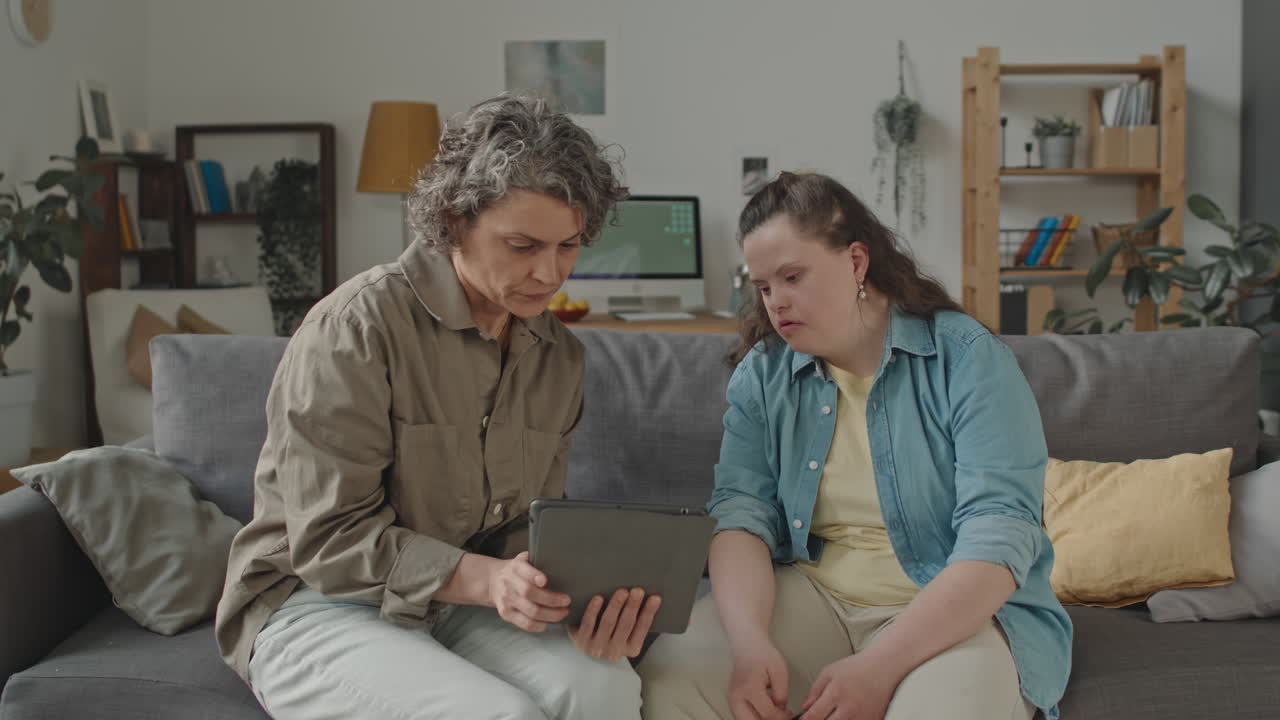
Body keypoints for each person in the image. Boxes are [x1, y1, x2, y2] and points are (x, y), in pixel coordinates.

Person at [215, 94, 660, 720]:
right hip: (313, 600)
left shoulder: (557, 356)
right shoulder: (356, 327)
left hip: (459, 603)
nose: (550, 273)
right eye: (523, 245)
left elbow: (518, 534)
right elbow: (329, 539)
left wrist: (567, 598)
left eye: (568, 246)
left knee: (604, 688)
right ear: (454, 220)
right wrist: (487, 581)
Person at [638, 172, 1072, 720]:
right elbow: (740, 516)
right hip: (815, 594)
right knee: (671, 681)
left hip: (947, 607)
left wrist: (878, 668)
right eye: (764, 287)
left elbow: (999, 538)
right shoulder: (763, 374)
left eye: (793, 276)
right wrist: (750, 645)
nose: (777, 303)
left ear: (857, 262)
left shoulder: (968, 359)